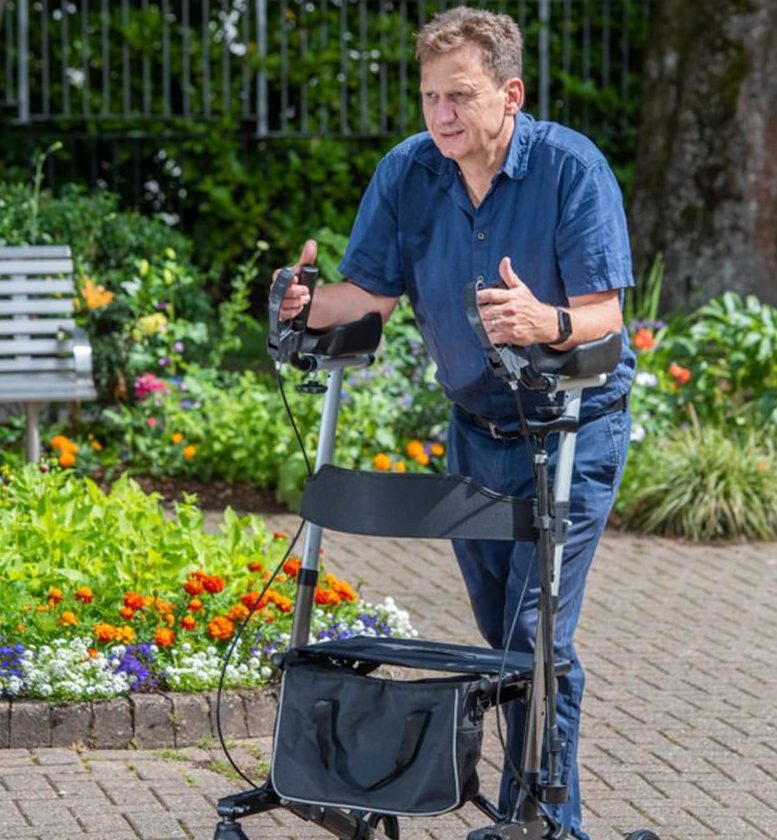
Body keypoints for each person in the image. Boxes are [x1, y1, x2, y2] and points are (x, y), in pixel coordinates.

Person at [275, 7, 635, 839]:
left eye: (460, 97)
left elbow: (603, 320)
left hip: (570, 428)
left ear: (509, 94)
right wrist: (302, 302)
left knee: (531, 636)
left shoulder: (570, 170)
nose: (441, 115)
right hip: (474, 428)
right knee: (503, 641)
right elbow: (365, 297)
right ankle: (536, 816)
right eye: (430, 97)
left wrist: (542, 319)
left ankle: (544, 822)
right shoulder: (409, 171)